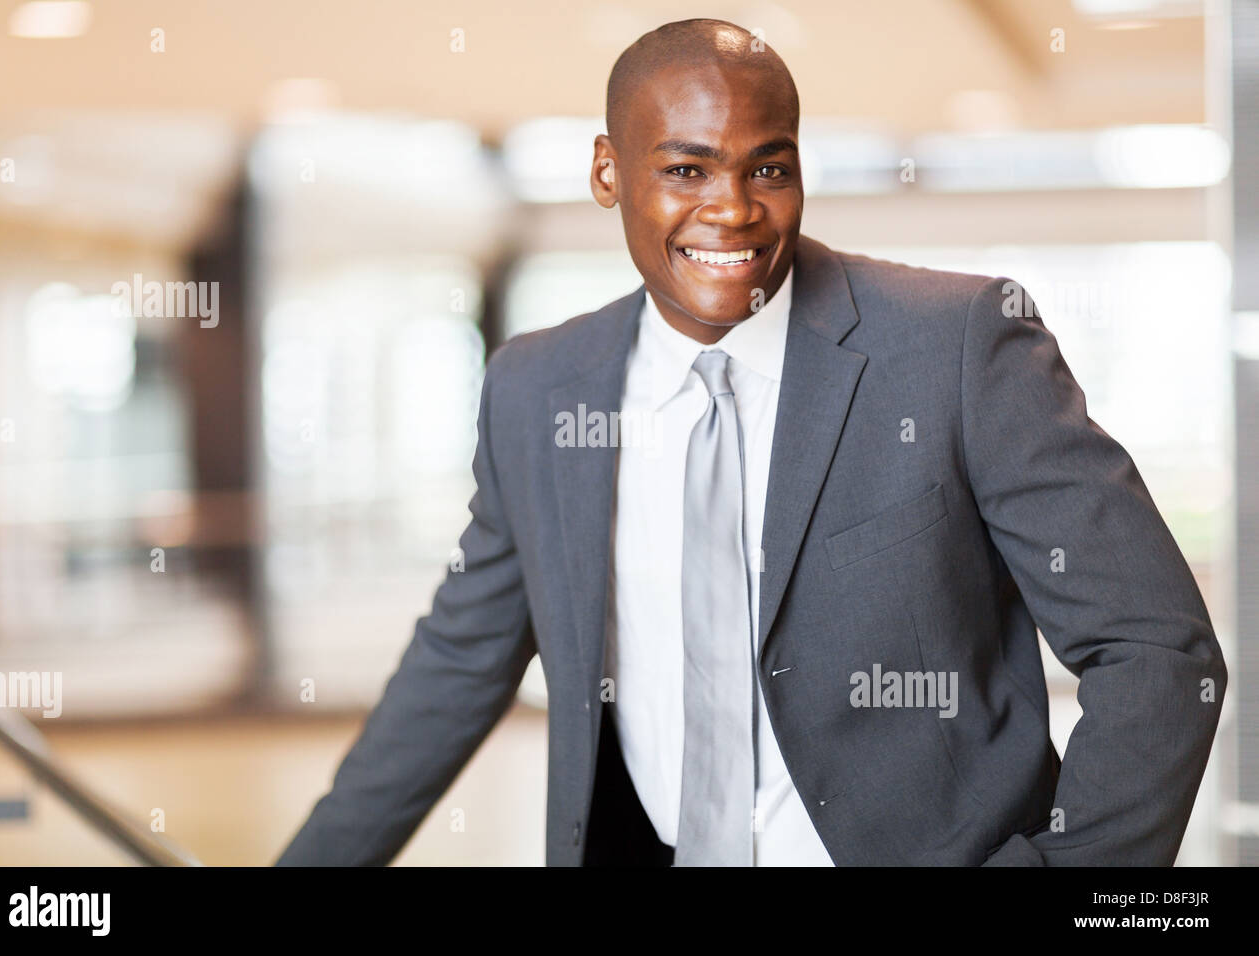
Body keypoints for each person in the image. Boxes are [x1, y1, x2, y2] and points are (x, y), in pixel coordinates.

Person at [277, 18, 1226, 866]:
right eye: (685, 169)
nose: (732, 209)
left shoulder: (958, 345)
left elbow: (1157, 651)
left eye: (767, 167)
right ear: (609, 172)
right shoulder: (537, 389)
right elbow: (457, 664)